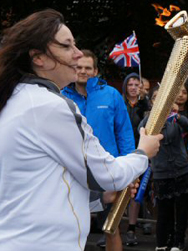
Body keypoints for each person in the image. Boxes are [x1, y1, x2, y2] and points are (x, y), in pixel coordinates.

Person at [0, 9, 162, 251]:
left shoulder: (16, 100)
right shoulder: (48, 106)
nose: (77, 55)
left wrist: (99, 197)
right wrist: (142, 154)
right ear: (38, 58)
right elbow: (108, 174)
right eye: (67, 46)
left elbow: (41, 183)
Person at [62, 49, 136, 250]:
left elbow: (124, 133)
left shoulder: (111, 95)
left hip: (107, 171)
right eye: (78, 67)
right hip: (73, 172)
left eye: (87, 68)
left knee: (110, 228)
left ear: (95, 71)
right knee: (72, 229)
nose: (82, 71)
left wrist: (129, 167)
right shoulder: (61, 96)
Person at [141, 86, 188, 251]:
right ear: (152, 102)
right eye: (156, 98)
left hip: (182, 170)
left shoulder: (175, 118)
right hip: (162, 174)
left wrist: (176, 115)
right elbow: (142, 133)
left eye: (163, 98)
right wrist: (154, 117)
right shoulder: (147, 121)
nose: (160, 101)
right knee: (164, 214)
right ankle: (164, 245)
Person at [122, 72, 151, 244]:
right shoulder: (120, 103)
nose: (133, 88)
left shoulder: (144, 105)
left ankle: (132, 228)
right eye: (130, 84)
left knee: (137, 191)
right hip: (122, 152)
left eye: (136, 84)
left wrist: (146, 103)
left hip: (140, 152)